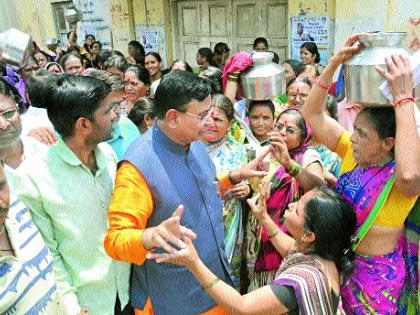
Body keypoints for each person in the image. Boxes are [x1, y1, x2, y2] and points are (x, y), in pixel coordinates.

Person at [103, 71, 270, 315]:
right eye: (203, 116)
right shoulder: (137, 166)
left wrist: (234, 177)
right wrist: (151, 236)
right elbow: (115, 241)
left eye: (212, 113)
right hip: (173, 298)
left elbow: (199, 190)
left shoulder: (194, 144)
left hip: (214, 285)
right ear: (172, 118)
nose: (210, 122)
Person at [301, 33, 419, 314]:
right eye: (354, 130)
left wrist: (403, 98)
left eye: (362, 134)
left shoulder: (399, 175)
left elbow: (411, 177)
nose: (351, 138)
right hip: (340, 269)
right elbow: (313, 114)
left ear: (388, 143)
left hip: (379, 284)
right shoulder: (349, 153)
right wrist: (332, 66)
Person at [15, 74, 131, 315]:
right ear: (84, 125)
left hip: (125, 292)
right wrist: (70, 306)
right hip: (86, 305)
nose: (114, 115)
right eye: (107, 110)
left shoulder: (108, 155)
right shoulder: (34, 178)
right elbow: (48, 254)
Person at [147, 185, 357, 315]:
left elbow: (241, 306)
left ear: (309, 235)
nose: (291, 205)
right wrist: (264, 218)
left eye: (298, 209)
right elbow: (289, 248)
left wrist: (194, 263)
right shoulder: (323, 256)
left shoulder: (302, 282)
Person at [248, 108, 324, 290]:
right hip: (260, 234)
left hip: (289, 237)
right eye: (279, 126)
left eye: (290, 130)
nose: (282, 132)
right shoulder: (264, 152)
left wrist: (289, 164)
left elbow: (318, 187)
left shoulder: (308, 156)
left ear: (303, 136)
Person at [202, 94, 250, 288]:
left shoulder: (238, 150)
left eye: (218, 119)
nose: (210, 123)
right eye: (207, 117)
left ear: (230, 124)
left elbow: (248, 182)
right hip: (199, 222)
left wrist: (246, 189)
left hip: (229, 224)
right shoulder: (189, 147)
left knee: (228, 279)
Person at [86, 69, 140, 160]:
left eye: (118, 105)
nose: (113, 115)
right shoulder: (66, 139)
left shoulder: (129, 127)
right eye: (107, 109)